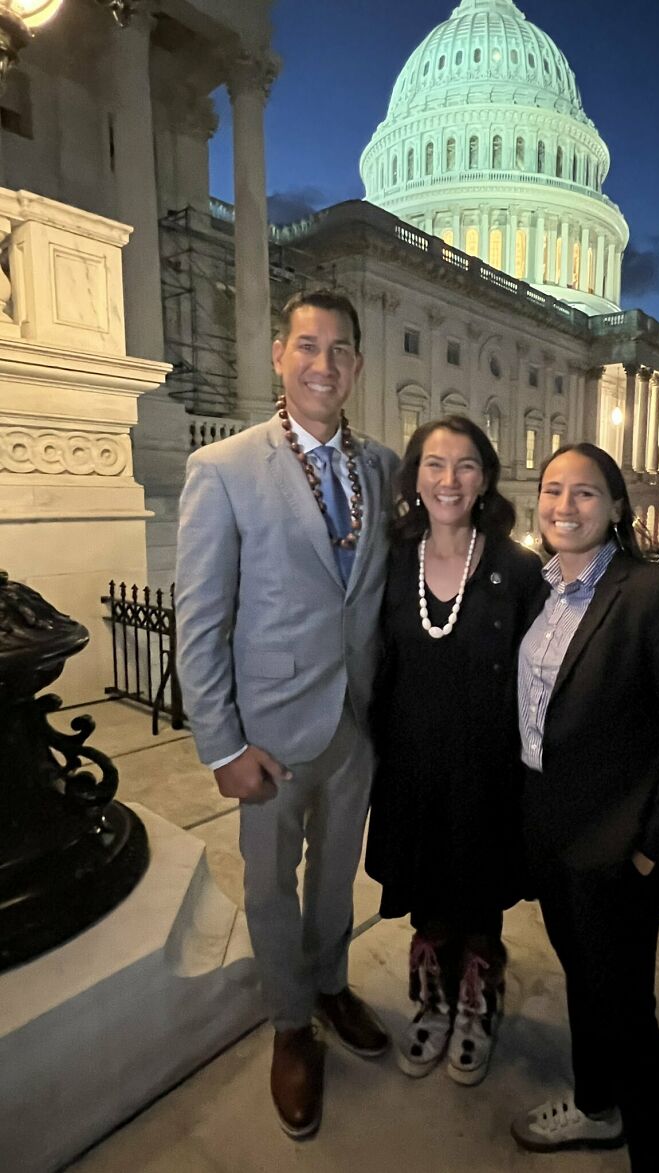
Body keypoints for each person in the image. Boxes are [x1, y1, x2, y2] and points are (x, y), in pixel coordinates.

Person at [174, 289, 399, 1141]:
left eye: (340, 350)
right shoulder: (224, 468)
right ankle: (289, 1023)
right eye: (308, 346)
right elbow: (200, 620)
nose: (323, 364)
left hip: (355, 724)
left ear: (357, 367)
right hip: (265, 734)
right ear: (279, 355)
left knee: (337, 877)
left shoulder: (380, 467)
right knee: (270, 888)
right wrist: (221, 745)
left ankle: (332, 982)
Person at [510, 443, 659, 1172]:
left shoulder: (650, 593)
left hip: (615, 849)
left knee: (629, 1013)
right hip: (552, 838)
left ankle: (656, 1159)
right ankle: (596, 1106)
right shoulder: (538, 589)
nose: (563, 506)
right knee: (581, 979)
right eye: (552, 490)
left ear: (618, 507)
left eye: (585, 493)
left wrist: (649, 847)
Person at [366, 416, 544, 1086]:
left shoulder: (517, 568)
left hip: (488, 772)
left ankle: (477, 1003)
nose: (449, 479)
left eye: (466, 464)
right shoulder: (389, 561)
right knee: (426, 894)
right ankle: (433, 1000)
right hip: (410, 767)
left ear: (486, 477)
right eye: (435, 464)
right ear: (415, 476)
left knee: (479, 897)